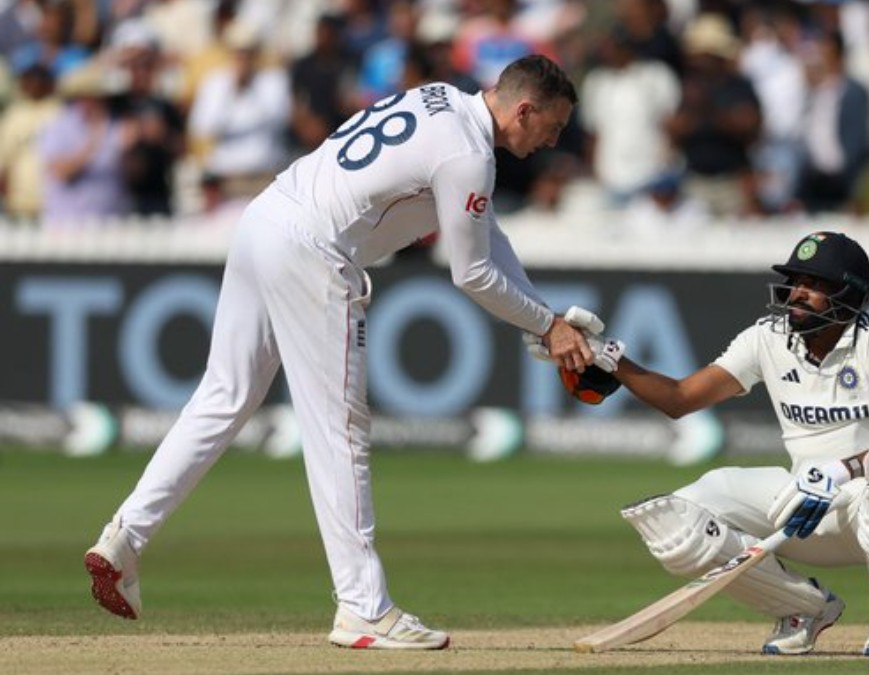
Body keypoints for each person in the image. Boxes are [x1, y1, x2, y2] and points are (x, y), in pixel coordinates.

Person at [83, 54, 597, 650]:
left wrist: (546, 319)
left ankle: (125, 538)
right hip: (315, 253)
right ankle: (363, 607)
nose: (554, 141)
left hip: (266, 218)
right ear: (524, 109)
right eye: (553, 127)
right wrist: (546, 325)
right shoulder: (470, 156)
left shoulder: (441, 101)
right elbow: (472, 272)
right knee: (339, 430)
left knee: (223, 397)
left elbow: (486, 237)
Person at [575, 231, 869, 657]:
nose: (797, 293)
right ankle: (801, 607)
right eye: (795, 281)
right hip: (804, 502)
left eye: (814, 284)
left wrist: (842, 471)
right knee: (676, 524)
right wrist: (608, 358)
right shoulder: (767, 337)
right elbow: (679, 398)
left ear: (850, 294)